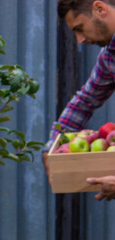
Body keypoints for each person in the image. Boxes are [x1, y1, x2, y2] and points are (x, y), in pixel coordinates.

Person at [44, 0, 115, 201]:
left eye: (80, 28)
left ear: (100, 9)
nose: (80, 40)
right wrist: (52, 146)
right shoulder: (109, 57)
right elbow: (85, 101)